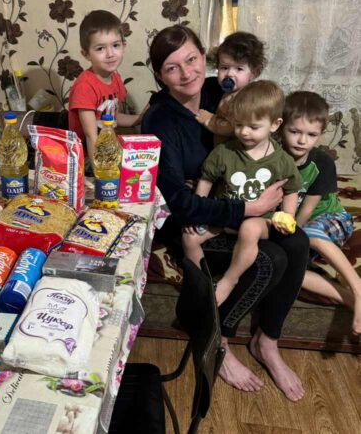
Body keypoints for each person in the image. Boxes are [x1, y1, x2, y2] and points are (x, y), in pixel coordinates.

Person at [141, 24, 308, 402]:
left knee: (296, 240)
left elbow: (263, 122)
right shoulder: (160, 122)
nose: (186, 73)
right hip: (193, 219)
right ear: (158, 75)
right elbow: (179, 203)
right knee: (271, 261)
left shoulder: (223, 91)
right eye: (172, 67)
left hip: (237, 204)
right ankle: (220, 341)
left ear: (207, 58)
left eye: (193, 59)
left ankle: (268, 341)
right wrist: (249, 208)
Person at [183, 80, 301, 306]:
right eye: (238, 125)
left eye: (254, 127)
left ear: (274, 125)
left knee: (248, 228)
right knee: (189, 236)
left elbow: (291, 189)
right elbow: (206, 179)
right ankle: (206, 287)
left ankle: (228, 281)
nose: (244, 132)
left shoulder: (282, 160)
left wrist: (287, 215)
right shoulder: (224, 152)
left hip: (260, 221)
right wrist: (197, 210)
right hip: (226, 216)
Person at [281, 91, 360, 334]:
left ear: (321, 134)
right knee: (289, 270)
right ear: (280, 126)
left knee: (309, 234)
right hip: (290, 222)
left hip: (328, 219)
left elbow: (307, 209)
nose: (302, 140)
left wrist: (291, 234)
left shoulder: (323, 163)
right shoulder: (271, 156)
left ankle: (358, 287)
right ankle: (349, 299)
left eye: (311, 134)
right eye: (295, 132)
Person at [68, 10, 145, 168]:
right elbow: (91, 135)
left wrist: (139, 118)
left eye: (115, 45)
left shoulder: (115, 78)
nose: (110, 54)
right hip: (84, 154)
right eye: (100, 49)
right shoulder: (85, 86)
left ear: (123, 46)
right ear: (86, 54)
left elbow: (111, 117)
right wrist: (102, 174)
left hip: (105, 147)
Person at [195, 31, 267, 144]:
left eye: (239, 69)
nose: (229, 74)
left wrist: (209, 119)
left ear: (253, 73)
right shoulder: (228, 92)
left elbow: (233, 127)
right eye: (224, 67)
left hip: (235, 150)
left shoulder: (246, 98)